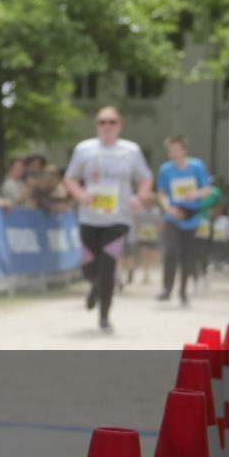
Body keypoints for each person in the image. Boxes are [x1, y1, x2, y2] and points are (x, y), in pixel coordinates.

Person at [63, 106, 152, 332]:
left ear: (119, 125)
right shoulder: (85, 149)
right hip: (89, 218)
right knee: (89, 268)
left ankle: (104, 316)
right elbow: (70, 178)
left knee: (108, 264)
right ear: (97, 125)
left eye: (112, 122)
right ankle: (95, 285)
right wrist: (80, 194)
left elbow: (145, 178)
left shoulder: (131, 151)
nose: (107, 126)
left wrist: (140, 197)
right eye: (102, 122)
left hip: (118, 218)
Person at [155, 135, 211, 306]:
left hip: (191, 216)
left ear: (184, 149)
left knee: (188, 256)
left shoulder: (196, 166)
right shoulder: (165, 169)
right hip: (173, 215)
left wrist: (196, 194)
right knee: (170, 252)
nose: (173, 152)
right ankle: (166, 288)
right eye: (170, 149)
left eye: (176, 148)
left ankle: (183, 292)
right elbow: (162, 193)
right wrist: (168, 208)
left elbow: (207, 189)